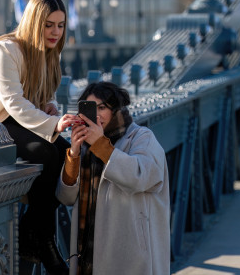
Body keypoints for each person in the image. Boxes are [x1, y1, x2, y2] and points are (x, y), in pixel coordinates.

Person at [0, 0, 79, 275]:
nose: (56, 31)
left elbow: (47, 94)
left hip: (17, 125)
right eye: (48, 25)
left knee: (63, 151)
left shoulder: (47, 53)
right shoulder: (4, 50)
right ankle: (42, 239)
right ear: (34, 22)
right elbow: (12, 102)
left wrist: (51, 108)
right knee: (47, 152)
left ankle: (35, 233)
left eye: (60, 24)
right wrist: (51, 124)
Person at [57, 82, 170, 275]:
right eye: (91, 108)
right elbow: (66, 197)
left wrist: (101, 145)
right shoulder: (85, 146)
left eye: (102, 108)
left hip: (130, 252)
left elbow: (140, 176)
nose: (97, 115)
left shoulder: (141, 137)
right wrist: (74, 154)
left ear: (116, 109)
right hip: (89, 251)